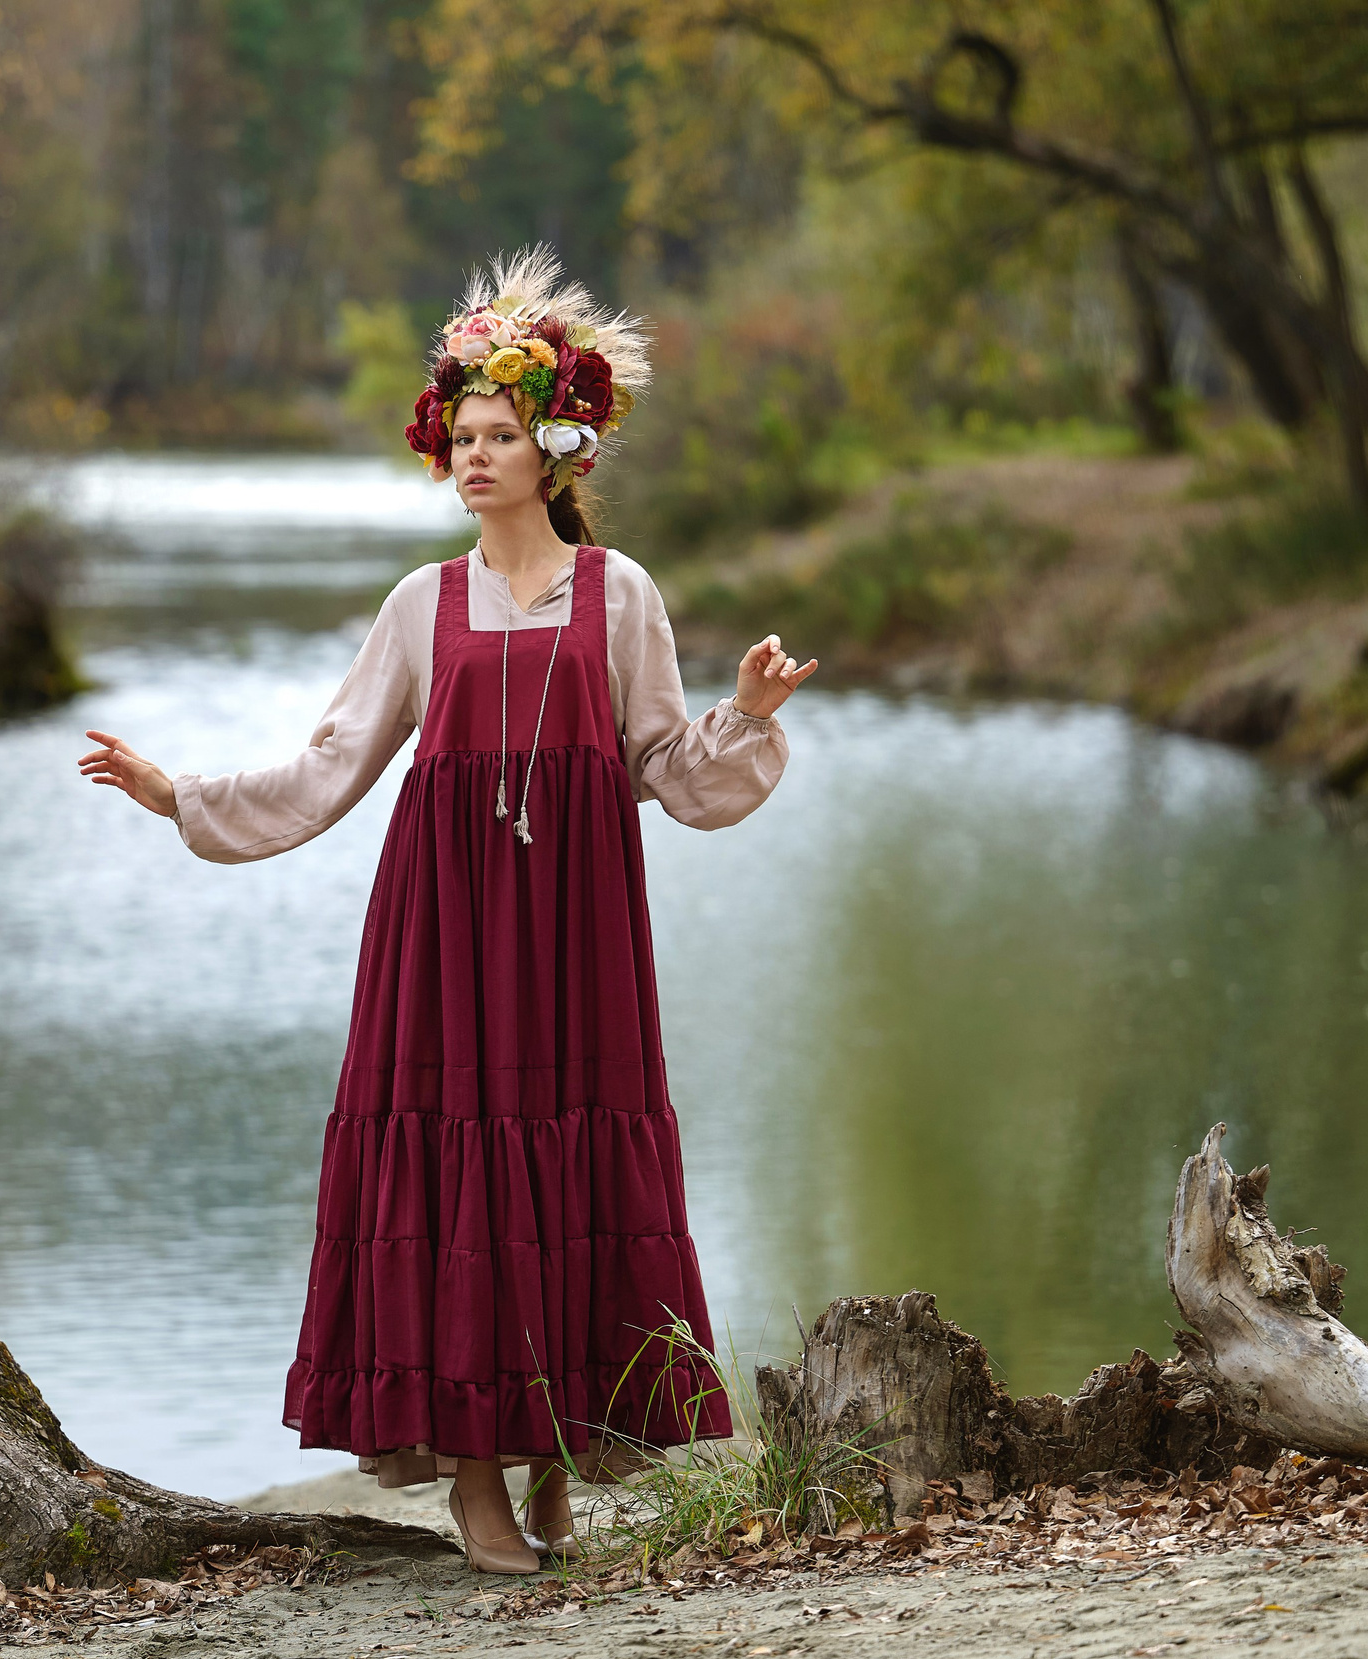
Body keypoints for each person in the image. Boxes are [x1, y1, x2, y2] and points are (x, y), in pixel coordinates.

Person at [78, 248, 816, 1573]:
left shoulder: (621, 594)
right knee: (466, 1172)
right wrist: (179, 793)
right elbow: (330, 765)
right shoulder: (422, 603)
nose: (474, 458)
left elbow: (665, 767)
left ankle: (558, 1450)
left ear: (558, 451)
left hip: (579, 931)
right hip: (448, 936)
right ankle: (477, 1479)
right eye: (462, 437)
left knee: (567, 1155)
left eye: (501, 438)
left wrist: (745, 716)